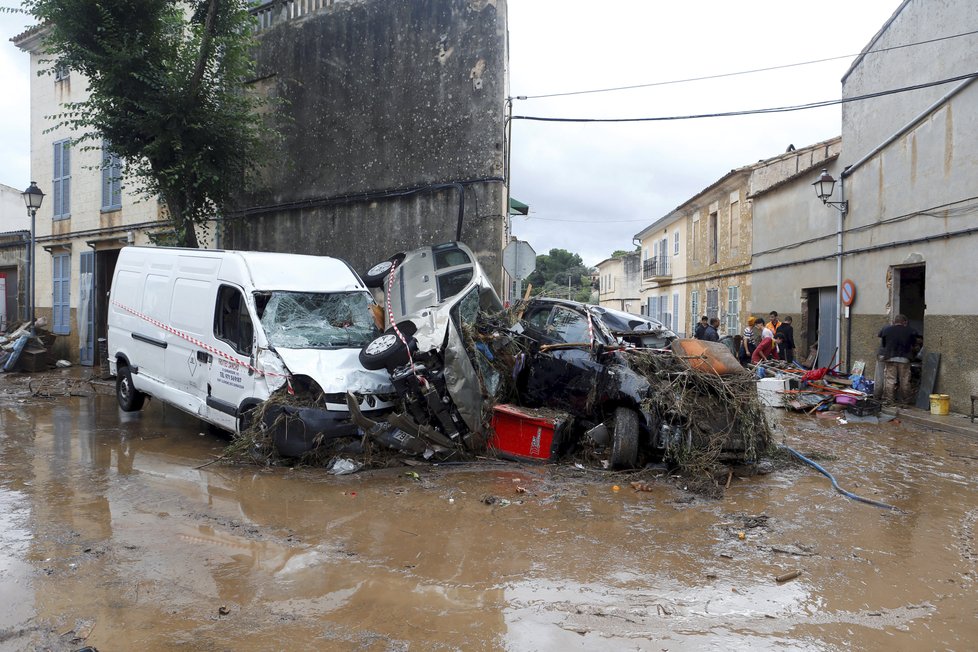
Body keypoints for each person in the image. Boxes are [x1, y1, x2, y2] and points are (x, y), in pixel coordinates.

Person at [878, 314, 921, 403]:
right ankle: (906, 400)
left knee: (890, 380)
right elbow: (913, 345)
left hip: (890, 358)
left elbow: (884, 344)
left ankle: (890, 400)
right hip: (904, 359)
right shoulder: (910, 331)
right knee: (905, 380)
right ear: (904, 322)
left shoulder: (886, 329)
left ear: (894, 322)